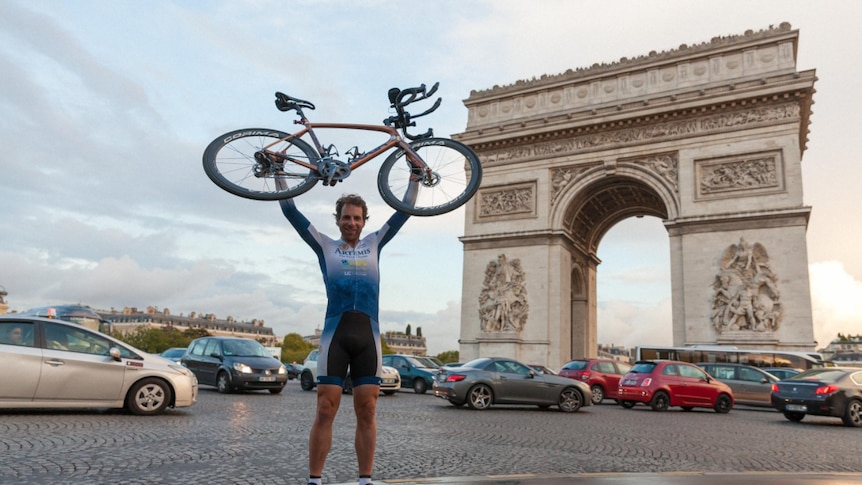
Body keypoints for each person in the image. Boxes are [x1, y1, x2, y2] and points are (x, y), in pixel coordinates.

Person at [278, 177, 418, 485]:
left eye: (356, 218)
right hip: (335, 335)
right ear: (338, 220)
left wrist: (414, 179)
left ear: (364, 220)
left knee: (367, 410)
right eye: (346, 217)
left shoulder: (374, 243)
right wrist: (279, 174)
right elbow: (291, 210)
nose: (351, 223)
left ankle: (365, 479)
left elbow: (404, 211)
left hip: (368, 334)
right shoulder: (325, 245)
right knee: (326, 408)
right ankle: (314, 480)